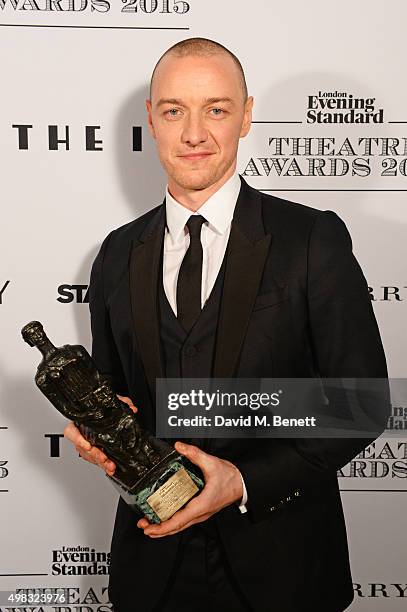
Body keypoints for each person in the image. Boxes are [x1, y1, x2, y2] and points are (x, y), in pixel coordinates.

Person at [64, 37, 389, 612]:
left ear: (245, 116)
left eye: (215, 109)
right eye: (174, 111)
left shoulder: (312, 239)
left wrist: (241, 481)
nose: (194, 133)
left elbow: (361, 402)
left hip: (284, 569)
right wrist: (98, 434)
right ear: (152, 122)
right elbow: (118, 396)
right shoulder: (116, 254)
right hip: (153, 570)